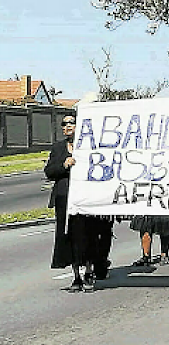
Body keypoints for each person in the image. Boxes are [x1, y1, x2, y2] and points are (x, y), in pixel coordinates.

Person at [46, 114, 95, 292]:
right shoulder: (58, 148)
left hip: (85, 198)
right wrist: (63, 165)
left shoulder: (89, 146)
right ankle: (76, 276)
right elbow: (49, 172)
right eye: (64, 124)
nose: (66, 127)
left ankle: (89, 270)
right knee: (68, 236)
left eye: (70, 124)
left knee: (86, 234)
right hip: (64, 199)